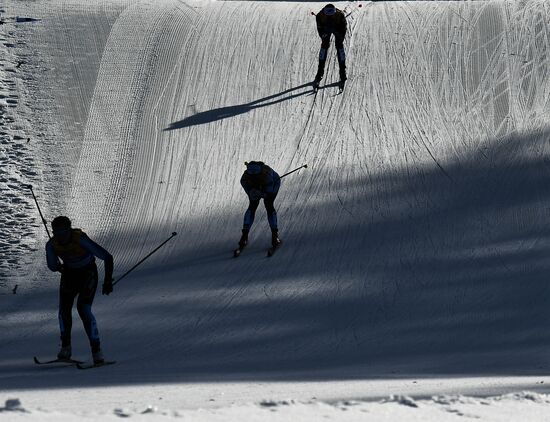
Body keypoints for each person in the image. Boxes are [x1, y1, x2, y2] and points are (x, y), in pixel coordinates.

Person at [45, 216, 114, 364]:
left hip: (88, 274)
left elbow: (107, 257)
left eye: (63, 231)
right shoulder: (51, 245)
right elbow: (52, 266)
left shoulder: (80, 239)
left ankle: (97, 351)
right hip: (69, 275)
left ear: (69, 229)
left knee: (83, 308)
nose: (61, 235)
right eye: (57, 232)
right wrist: (57, 265)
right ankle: (66, 348)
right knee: (64, 309)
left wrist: (108, 280)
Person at [238, 161, 282, 249]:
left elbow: (269, 192)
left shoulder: (267, 175)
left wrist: (261, 193)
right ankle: (245, 235)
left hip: (274, 184)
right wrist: (252, 192)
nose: (254, 176)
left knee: (267, 204)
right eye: (252, 174)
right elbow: (246, 186)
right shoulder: (245, 178)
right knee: (256, 205)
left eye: (256, 174)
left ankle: (274, 235)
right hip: (261, 186)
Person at [313, 4, 347, 89]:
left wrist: (338, 33)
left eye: (332, 15)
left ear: (335, 13)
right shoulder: (320, 16)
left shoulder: (340, 15)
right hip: (325, 29)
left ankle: (342, 72)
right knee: (324, 46)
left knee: (339, 46)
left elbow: (344, 28)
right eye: (328, 15)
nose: (330, 17)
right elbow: (320, 29)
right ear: (324, 13)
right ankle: (320, 72)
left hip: (338, 28)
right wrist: (324, 35)